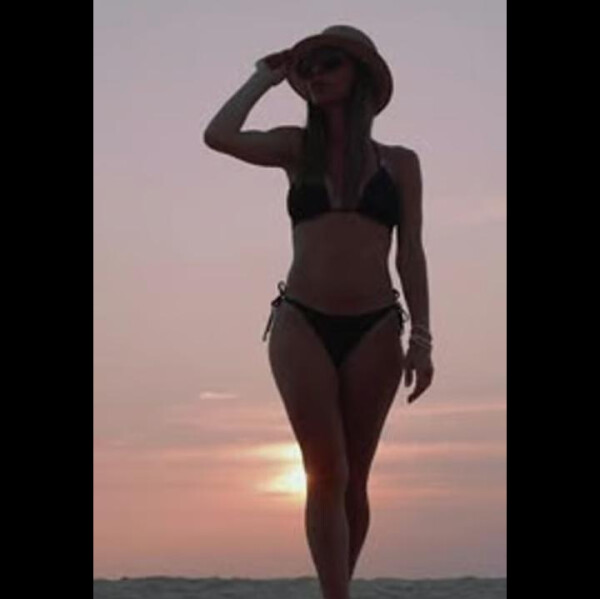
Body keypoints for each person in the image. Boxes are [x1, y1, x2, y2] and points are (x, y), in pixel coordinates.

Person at [204, 24, 434, 599]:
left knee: (354, 479)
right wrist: (264, 77)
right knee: (325, 470)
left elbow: (410, 253)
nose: (316, 74)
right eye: (309, 68)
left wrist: (423, 339)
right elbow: (218, 135)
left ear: (360, 76)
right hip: (302, 321)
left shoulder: (400, 163)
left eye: (330, 62)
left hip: (376, 327)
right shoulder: (294, 148)